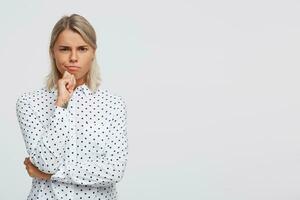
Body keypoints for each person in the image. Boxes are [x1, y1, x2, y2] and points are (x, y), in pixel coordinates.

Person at [16, 14, 128, 200]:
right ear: (53, 51)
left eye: (82, 49)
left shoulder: (113, 104)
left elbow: (114, 171)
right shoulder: (30, 103)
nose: (73, 57)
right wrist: (61, 104)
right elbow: (46, 163)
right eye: (65, 49)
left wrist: (52, 176)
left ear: (93, 52)